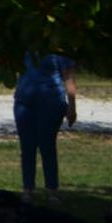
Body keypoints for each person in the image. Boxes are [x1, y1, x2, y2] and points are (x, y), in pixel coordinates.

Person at [14, 49, 77, 204]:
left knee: (47, 146)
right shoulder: (23, 46)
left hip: (51, 103)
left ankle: (52, 190)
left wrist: (72, 106)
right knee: (27, 147)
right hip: (24, 102)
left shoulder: (59, 51)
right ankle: (28, 189)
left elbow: (69, 79)